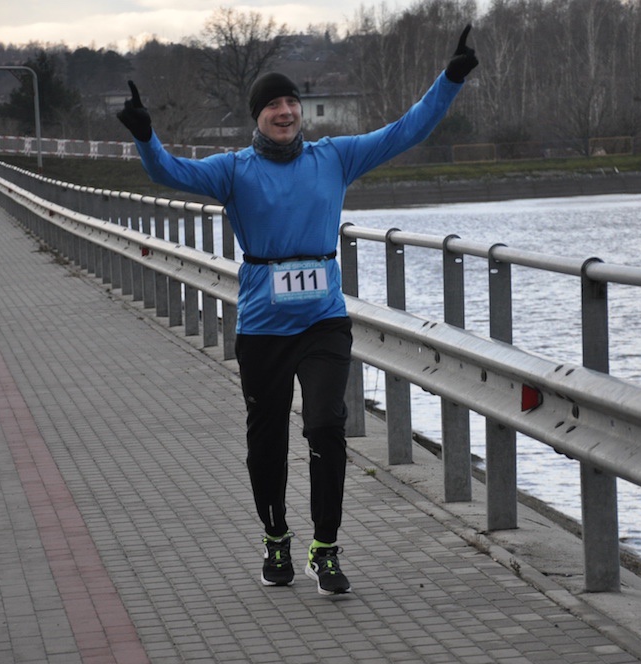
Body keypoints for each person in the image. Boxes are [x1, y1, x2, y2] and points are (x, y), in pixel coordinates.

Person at [118, 25, 479, 596]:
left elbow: (406, 130)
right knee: (267, 442)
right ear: (257, 116)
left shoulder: (334, 157)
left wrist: (450, 79)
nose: (285, 112)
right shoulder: (233, 169)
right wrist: (146, 136)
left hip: (322, 322)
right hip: (263, 327)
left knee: (325, 426)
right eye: (273, 105)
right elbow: (171, 172)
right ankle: (276, 538)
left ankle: (325, 549)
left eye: (291, 102)